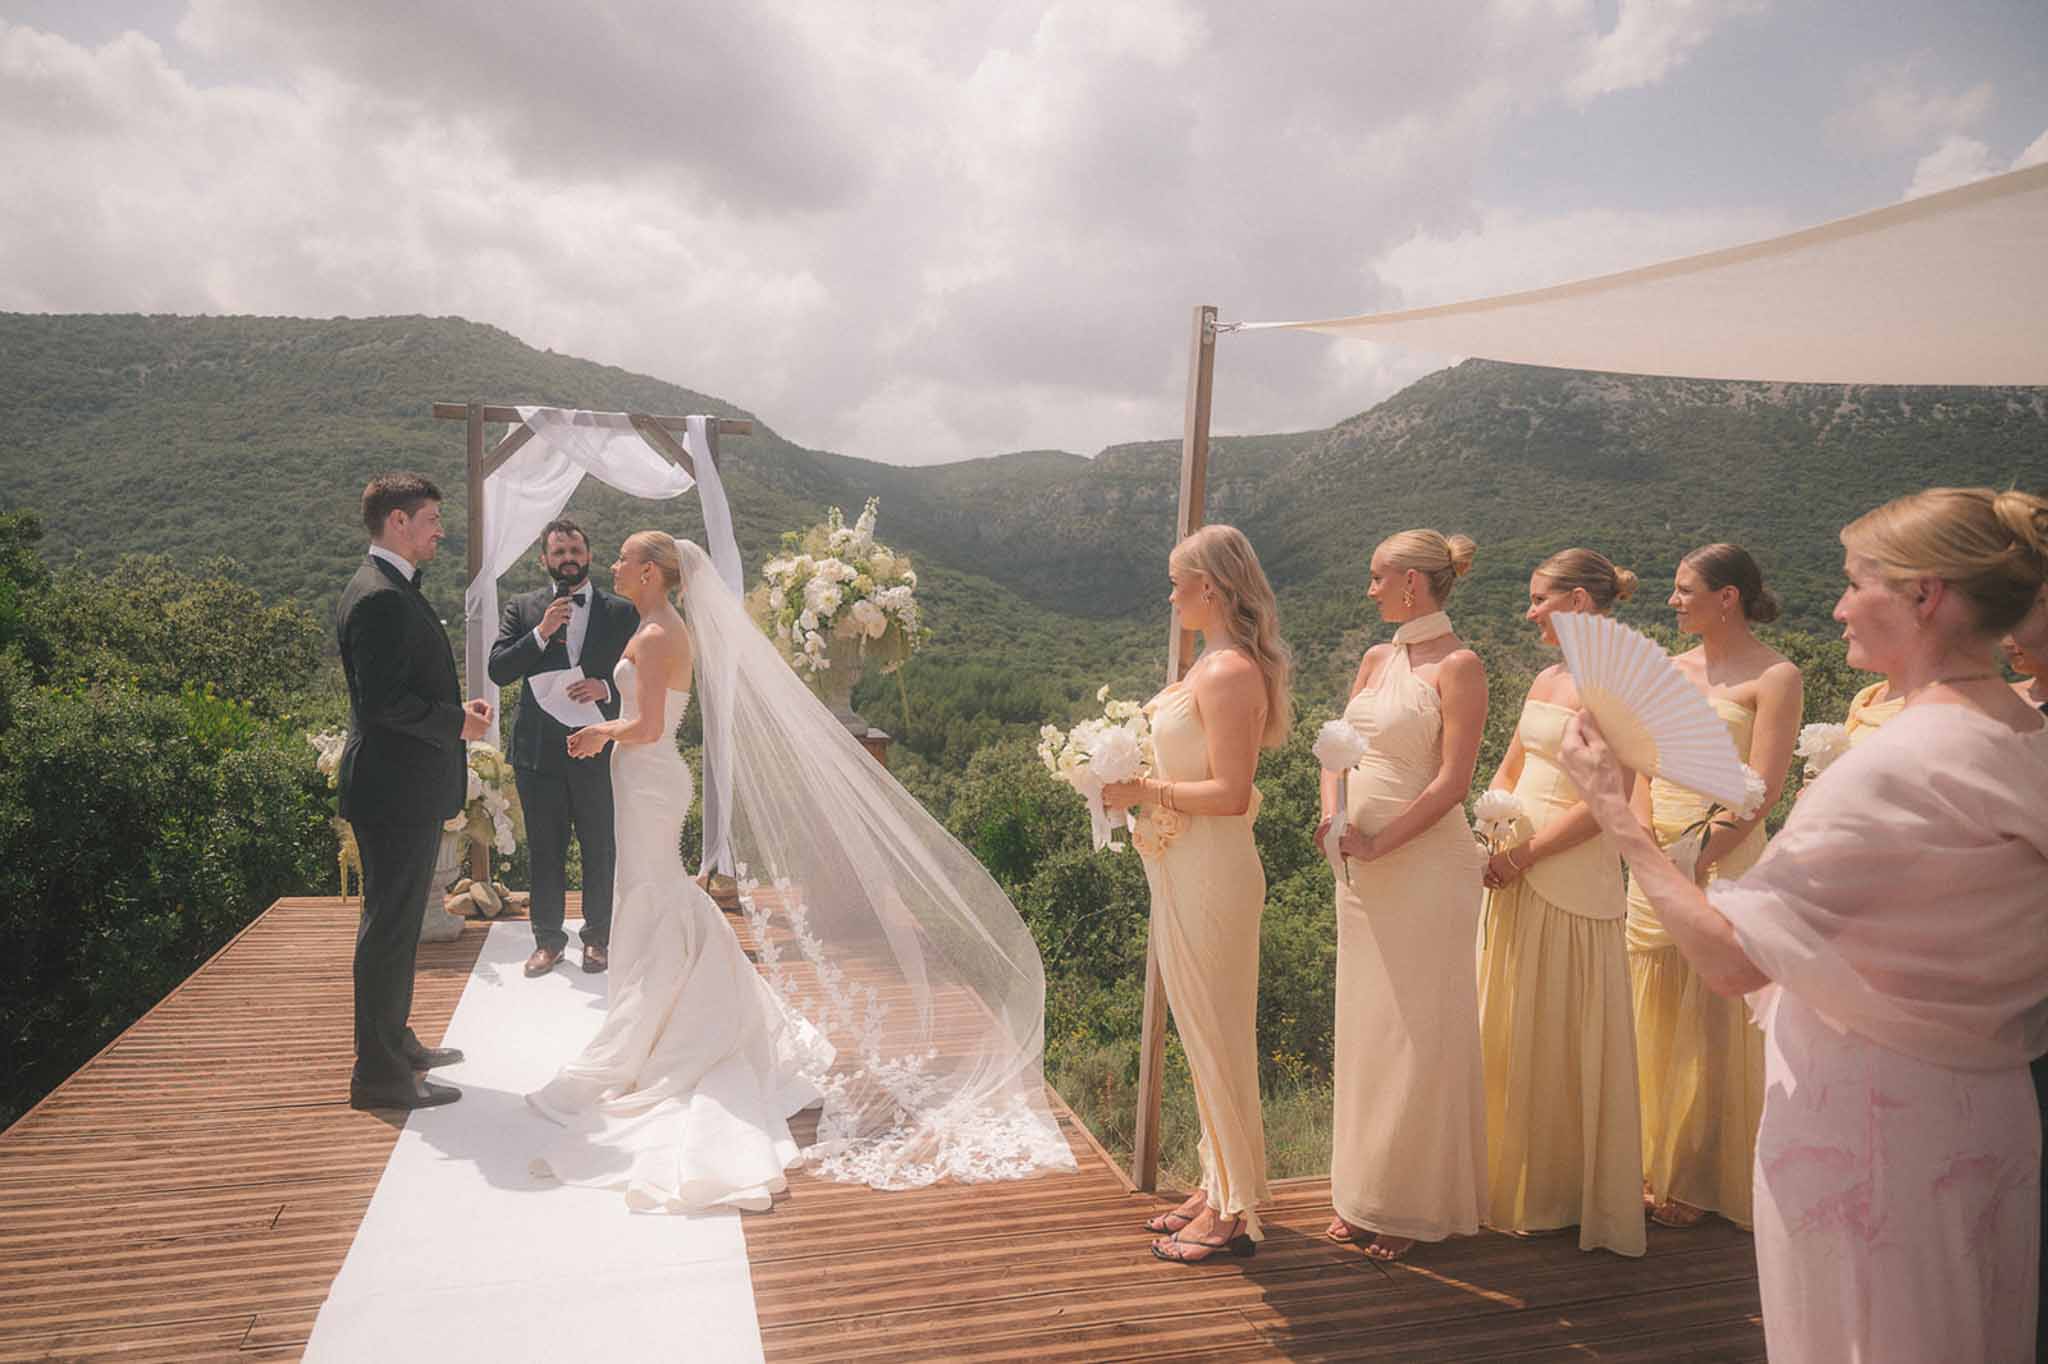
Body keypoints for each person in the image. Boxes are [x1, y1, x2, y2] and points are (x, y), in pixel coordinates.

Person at [1559, 487, 2048, 1362]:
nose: (1837, 605)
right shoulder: (2025, 734)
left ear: (1924, 595)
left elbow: (1729, 961)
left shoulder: (1895, 767)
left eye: (1857, 582)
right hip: (1987, 1121)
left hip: (1873, 1144)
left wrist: (1615, 814)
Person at [528, 533, 1074, 1209]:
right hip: (644, 781)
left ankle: (675, 1015)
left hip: (647, 776)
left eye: (621, 559)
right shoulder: (657, 627)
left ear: (647, 572)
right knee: (652, 888)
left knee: (655, 888)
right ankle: (666, 1006)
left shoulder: (658, 634)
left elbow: (646, 728)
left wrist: (596, 732)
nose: (612, 566)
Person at [1102, 524, 1289, 1265]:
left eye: (1178, 582)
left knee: (1218, 1038)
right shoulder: (1208, 664)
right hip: (1181, 867)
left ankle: (1235, 1211)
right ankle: (1220, 1183)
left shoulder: (1228, 671)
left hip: (1213, 872)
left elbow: (1233, 792)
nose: (1171, 594)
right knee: (1203, 1035)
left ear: (1209, 587)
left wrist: (1143, 788)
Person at [1317, 530, 1488, 1263]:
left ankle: (1410, 1205)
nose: (1370, 590)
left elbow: (1453, 782)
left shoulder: (1461, 666)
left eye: (1377, 578)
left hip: (1423, 868)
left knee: (1417, 1030)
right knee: (1367, 1027)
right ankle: (1362, 1191)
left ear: (1413, 585)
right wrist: (1333, 815)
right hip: (1358, 872)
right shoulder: (1375, 658)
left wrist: (1384, 842)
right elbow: (1336, 746)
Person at [1476, 547, 1645, 1257]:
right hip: (1511, 852)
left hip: (1566, 863)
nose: (1530, 611)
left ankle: (1557, 1190)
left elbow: (1610, 803)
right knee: (1508, 1020)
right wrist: (1488, 827)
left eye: (1540, 598)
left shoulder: (1620, 684)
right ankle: (1501, 1178)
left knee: (1560, 1021)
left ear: (1579, 602)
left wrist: (1526, 853)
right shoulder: (1548, 675)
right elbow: (1513, 761)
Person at [1626, 545, 1801, 1231]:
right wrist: (1644, 850)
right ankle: (1643, 1158)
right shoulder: (1667, 671)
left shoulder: (1775, 676)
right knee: (1648, 1006)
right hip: (1653, 858)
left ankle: (1700, 1176)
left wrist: (1697, 857)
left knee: (1711, 1018)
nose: (1672, 601)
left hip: (1721, 858)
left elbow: (1764, 786)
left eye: (1683, 589)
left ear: (1726, 598)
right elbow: (1641, 768)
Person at [336, 473, 492, 1111]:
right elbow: (382, 707)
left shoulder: (388, 586)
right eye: (430, 518)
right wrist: (456, 722)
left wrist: (453, 712)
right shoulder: (379, 597)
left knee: (395, 930)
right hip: (394, 791)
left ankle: (396, 1045)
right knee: (388, 931)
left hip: (399, 787)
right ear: (397, 522)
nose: (440, 529)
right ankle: (377, 1078)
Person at [488, 518, 638, 977]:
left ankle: (598, 939)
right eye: (558, 552)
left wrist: (605, 690)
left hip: (597, 748)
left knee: (600, 846)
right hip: (537, 754)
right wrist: (540, 633)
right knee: (546, 851)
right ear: (545, 560)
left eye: (575, 549)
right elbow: (498, 670)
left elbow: (644, 677)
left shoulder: (621, 612)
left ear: (588, 556)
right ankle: (548, 941)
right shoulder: (523, 607)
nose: (568, 557)